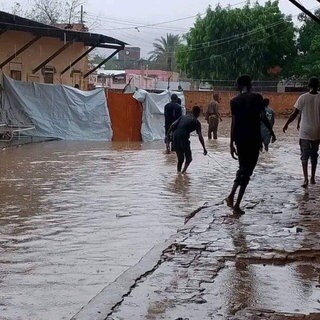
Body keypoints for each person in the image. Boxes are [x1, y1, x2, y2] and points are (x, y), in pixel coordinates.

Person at [226, 75, 276, 215]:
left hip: (240, 139)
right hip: (254, 138)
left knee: (242, 168)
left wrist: (231, 143)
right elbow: (263, 117)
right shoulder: (257, 98)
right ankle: (236, 204)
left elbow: (233, 123)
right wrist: (271, 132)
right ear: (250, 84)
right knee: (248, 171)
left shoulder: (234, 101)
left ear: (238, 86)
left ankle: (231, 196)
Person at [283, 76, 320, 188]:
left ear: (308, 85)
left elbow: (295, 113)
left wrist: (286, 124)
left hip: (305, 131)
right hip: (317, 131)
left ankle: (305, 179)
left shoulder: (302, 97)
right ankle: (313, 177)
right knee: (314, 155)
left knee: (304, 155)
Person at [167, 106, 207, 173]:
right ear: (199, 113)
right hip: (183, 138)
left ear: (192, 111)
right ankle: (183, 172)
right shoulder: (196, 122)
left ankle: (178, 174)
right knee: (189, 158)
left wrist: (167, 137)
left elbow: (172, 125)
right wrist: (204, 148)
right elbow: (200, 136)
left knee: (180, 159)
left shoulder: (183, 117)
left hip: (175, 136)